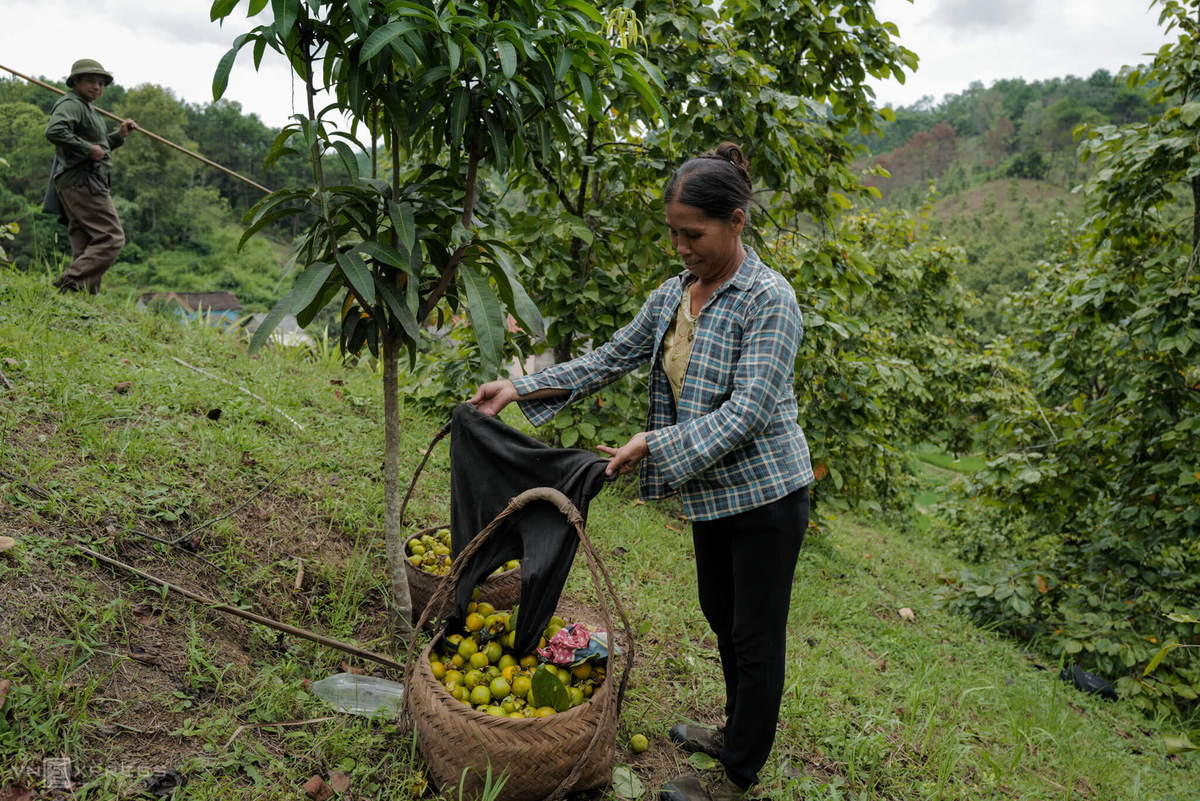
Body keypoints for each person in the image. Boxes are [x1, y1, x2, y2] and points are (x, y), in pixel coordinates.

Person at [470, 141, 813, 801]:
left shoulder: (769, 301)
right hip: (715, 493)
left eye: (695, 234)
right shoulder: (674, 296)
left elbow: (746, 413)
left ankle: (738, 771)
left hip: (769, 495)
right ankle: (734, 728)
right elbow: (609, 357)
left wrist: (653, 444)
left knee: (755, 630)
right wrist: (519, 388)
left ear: (736, 221)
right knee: (721, 612)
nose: (682, 247)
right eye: (674, 234)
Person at [44, 58, 137, 294]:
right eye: (90, 81)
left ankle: (83, 299)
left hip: (79, 182)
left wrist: (118, 136)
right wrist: (87, 148)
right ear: (75, 81)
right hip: (83, 182)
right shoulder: (72, 104)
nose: (97, 87)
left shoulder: (87, 107)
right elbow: (54, 131)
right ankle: (68, 282)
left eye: (101, 83)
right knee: (111, 238)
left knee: (86, 243)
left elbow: (99, 148)